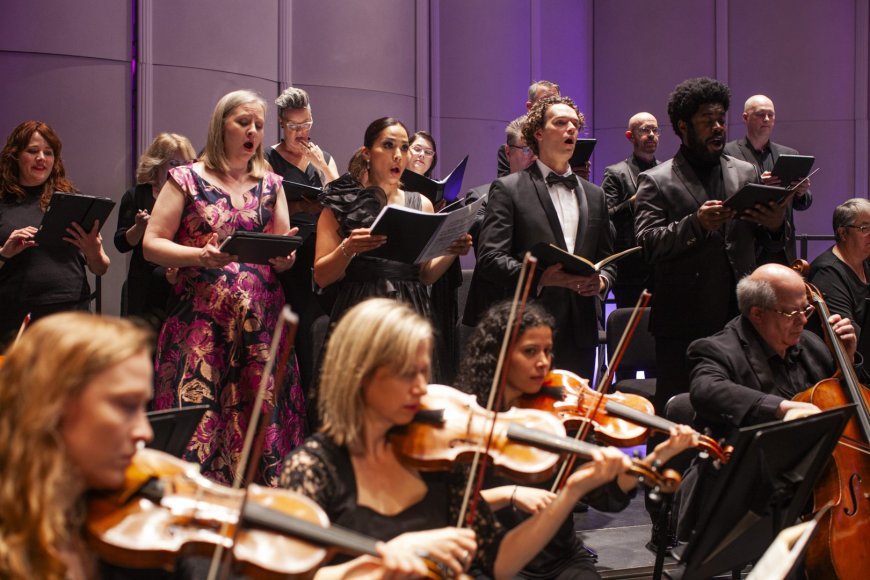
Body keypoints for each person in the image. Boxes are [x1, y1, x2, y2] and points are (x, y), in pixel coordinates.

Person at [280, 298, 635, 579]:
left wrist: (569, 493)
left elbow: (499, 563)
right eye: (407, 373)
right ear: (357, 376)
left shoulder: (435, 454)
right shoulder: (314, 467)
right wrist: (385, 557)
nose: (422, 387)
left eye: (423, 371)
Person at [455, 300, 697, 579]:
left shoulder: (558, 418)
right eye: (530, 351)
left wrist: (659, 456)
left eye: (547, 351)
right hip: (491, 559)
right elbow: (449, 508)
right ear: (497, 355)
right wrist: (512, 495)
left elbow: (608, 497)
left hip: (559, 557)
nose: (543, 362)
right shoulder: (469, 419)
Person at [143, 89, 306, 486]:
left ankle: (260, 519)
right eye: (243, 123)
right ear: (221, 126)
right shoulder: (186, 179)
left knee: (260, 425)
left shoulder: (271, 183)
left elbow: (283, 245)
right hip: (200, 328)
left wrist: (287, 259)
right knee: (198, 424)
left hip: (261, 329)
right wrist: (199, 257)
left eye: (259, 126)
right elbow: (152, 244)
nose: (252, 132)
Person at [634, 78, 790, 416]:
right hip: (682, 325)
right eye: (708, 120)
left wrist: (776, 224)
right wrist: (696, 224)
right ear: (683, 126)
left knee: (743, 414)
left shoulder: (746, 171)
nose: (718, 127)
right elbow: (647, 245)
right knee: (679, 420)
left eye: (721, 118)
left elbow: (767, 243)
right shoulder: (656, 180)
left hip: (741, 319)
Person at [469, 96, 614, 378]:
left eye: (575, 124)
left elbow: (608, 258)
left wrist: (603, 280)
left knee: (574, 419)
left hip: (581, 331)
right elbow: (490, 258)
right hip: (528, 330)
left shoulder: (596, 195)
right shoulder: (509, 189)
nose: (570, 129)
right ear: (538, 133)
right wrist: (541, 277)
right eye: (560, 123)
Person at [0, 312, 153, 580]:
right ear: (51, 405)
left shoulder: (126, 535)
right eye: (126, 406)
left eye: (143, 408)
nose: (146, 432)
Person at [312, 117, 471, 325]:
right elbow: (322, 277)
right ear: (366, 153)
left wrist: (451, 251)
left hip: (410, 311)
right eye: (388, 145)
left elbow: (425, 276)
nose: (397, 155)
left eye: (404, 148)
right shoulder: (341, 204)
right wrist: (348, 248)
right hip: (361, 313)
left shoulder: (422, 204)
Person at [0, 121, 110, 347]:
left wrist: (93, 251)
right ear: (15, 156)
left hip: (71, 309)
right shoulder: (3, 203)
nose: (41, 158)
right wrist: (4, 253)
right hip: (17, 313)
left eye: (48, 152)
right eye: (32, 151)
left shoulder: (71, 199)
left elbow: (100, 268)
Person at [266, 86, 339, 409]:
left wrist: (322, 168)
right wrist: (302, 208)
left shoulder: (321, 156)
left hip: (320, 247)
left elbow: (342, 199)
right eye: (294, 126)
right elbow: (263, 206)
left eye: (306, 124)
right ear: (282, 124)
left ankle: (319, 407)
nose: (301, 132)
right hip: (288, 250)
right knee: (292, 336)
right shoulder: (268, 158)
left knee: (319, 334)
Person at [114, 132, 196, 332]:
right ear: (157, 164)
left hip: (180, 282)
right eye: (174, 163)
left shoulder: (194, 198)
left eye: (186, 164)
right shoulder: (136, 195)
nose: (180, 170)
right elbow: (121, 244)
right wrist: (139, 228)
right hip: (145, 286)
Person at [724, 94, 812, 264]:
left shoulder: (789, 154)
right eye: (760, 114)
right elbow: (725, 196)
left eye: (770, 115)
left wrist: (801, 192)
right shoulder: (727, 153)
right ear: (745, 117)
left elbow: (803, 204)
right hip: (745, 243)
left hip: (780, 246)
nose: (766, 119)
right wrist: (758, 184)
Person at [406, 130, 462, 383]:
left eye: (428, 152)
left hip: (437, 272)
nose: (422, 155)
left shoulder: (436, 191)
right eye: (416, 148)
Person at [601, 112, 660, 307]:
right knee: (630, 326)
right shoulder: (616, 173)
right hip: (629, 267)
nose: (651, 134)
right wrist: (632, 203)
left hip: (659, 263)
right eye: (645, 130)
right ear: (630, 136)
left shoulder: (667, 170)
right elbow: (605, 216)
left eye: (655, 130)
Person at [807, 198, 870, 354]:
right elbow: (851, 337)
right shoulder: (827, 273)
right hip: (849, 361)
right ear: (843, 233)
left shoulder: (866, 260)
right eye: (864, 228)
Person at [496, 80, 560, 177]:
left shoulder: (565, 144)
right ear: (530, 107)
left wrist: (579, 179)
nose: (551, 108)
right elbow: (504, 188)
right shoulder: (514, 143)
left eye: (556, 103)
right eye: (545, 102)